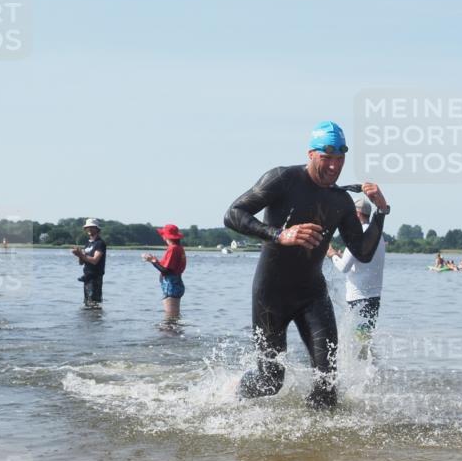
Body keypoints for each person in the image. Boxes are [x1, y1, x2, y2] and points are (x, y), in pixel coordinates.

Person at [224, 120, 390, 408]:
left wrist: (381, 211)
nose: (335, 166)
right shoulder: (282, 179)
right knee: (270, 380)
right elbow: (233, 214)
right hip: (270, 294)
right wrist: (279, 234)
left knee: (328, 382)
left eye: (340, 159)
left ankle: (319, 448)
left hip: (312, 295)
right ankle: (234, 395)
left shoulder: (340, 200)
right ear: (311, 154)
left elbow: (362, 252)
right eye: (328, 158)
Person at [326, 197, 386, 356]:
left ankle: (359, 376)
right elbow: (364, 263)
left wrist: (332, 255)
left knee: (358, 346)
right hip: (374, 297)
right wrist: (343, 256)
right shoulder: (378, 235)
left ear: (357, 214)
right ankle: (370, 375)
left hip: (358, 299)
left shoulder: (357, 234)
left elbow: (343, 267)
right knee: (365, 342)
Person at [142, 223, 187, 319]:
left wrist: (152, 261)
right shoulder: (179, 248)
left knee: (170, 318)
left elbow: (166, 270)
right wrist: (155, 260)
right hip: (176, 283)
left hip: (171, 285)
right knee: (173, 317)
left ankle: (171, 333)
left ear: (165, 236)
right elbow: (169, 267)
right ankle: (174, 333)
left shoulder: (173, 249)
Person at [71, 218, 107, 307]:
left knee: (94, 303)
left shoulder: (100, 243)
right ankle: (92, 320)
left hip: (95, 278)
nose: (89, 229)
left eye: (92, 227)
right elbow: (81, 263)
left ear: (97, 229)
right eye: (88, 227)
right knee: (87, 303)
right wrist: (79, 255)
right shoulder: (88, 243)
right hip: (87, 277)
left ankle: (95, 319)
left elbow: (95, 260)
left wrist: (81, 255)